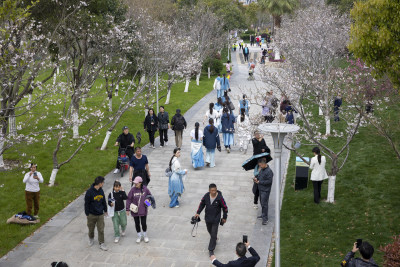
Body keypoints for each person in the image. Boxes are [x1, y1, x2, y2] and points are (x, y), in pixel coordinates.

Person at [195, 184, 228, 256]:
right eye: (212, 190)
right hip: (208, 218)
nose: (214, 192)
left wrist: (224, 217)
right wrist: (198, 213)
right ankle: (214, 238)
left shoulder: (220, 198)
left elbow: (225, 208)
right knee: (209, 230)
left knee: (213, 234)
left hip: (216, 219)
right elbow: (202, 204)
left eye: (215, 190)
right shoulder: (206, 196)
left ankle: (211, 249)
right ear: (209, 190)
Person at [84, 176, 108, 251]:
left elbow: (103, 201)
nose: (103, 184)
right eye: (103, 182)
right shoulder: (89, 192)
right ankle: (91, 238)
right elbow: (86, 204)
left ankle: (101, 243)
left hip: (100, 214)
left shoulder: (101, 191)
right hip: (91, 214)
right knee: (91, 229)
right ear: (99, 183)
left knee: (101, 229)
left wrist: (105, 210)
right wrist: (87, 214)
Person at [126, 176, 152, 243]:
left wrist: (147, 200)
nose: (135, 184)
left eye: (137, 183)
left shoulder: (145, 189)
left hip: (143, 210)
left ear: (140, 183)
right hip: (135, 210)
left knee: (143, 223)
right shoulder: (132, 190)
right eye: (135, 183)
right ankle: (139, 236)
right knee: (137, 223)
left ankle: (145, 235)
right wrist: (127, 209)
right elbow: (128, 199)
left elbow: (150, 196)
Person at [252, 131, 271, 209]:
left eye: (258, 134)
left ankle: (263, 203)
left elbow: (265, 146)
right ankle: (255, 202)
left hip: (262, 155)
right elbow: (256, 145)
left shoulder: (262, 139)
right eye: (256, 134)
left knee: (262, 192)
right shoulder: (254, 140)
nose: (257, 135)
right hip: (257, 156)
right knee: (257, 191)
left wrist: (264, 149)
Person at [254, 158, 273, 225]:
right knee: (262, 203)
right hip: (261, 189)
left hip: (265, 190)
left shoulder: (269, 171)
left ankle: (265, 219)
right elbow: (260, 176)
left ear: (264, 164)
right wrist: (257, 178)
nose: (260, 167)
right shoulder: (262, 169)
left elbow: (269, 182)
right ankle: (263, 214)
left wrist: (260, 182)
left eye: (260, 165)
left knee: (264, 204)